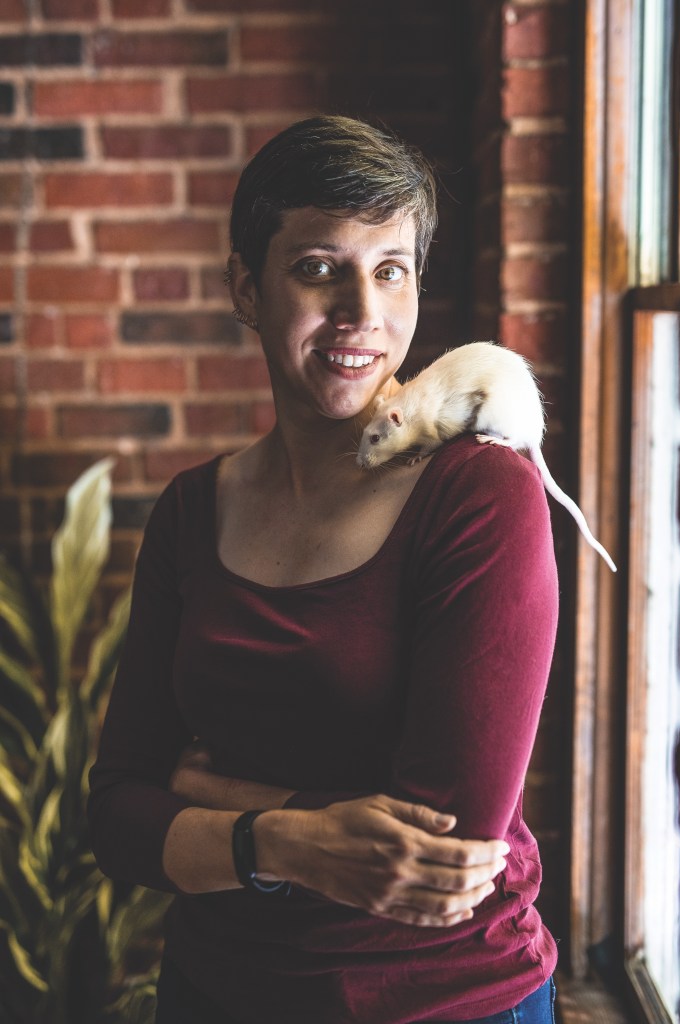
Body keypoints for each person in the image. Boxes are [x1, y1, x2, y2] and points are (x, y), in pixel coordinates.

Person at [88, 115, 559, 1024]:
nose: (360, 315)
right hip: (211, 995)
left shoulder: (478, 494)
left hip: (449, 1001)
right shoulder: (190, 512)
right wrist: (289, 844)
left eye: (390, 270)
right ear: (245, 288)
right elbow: (115, 817)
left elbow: (445, 852)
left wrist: (207, 793)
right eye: (316, 267)